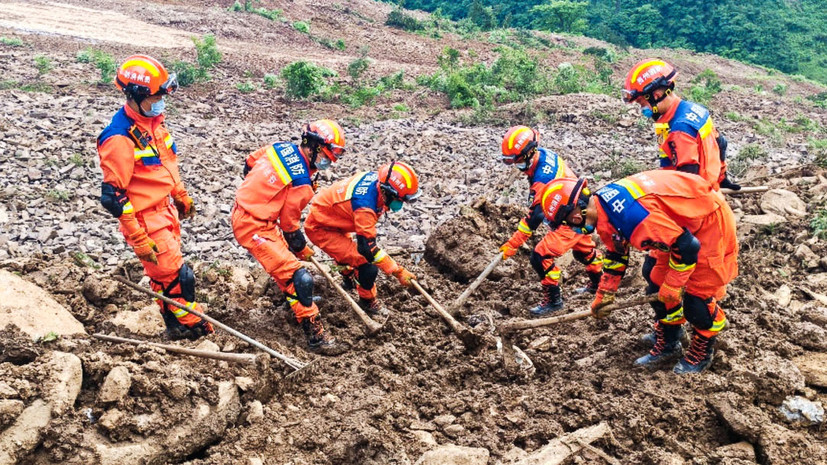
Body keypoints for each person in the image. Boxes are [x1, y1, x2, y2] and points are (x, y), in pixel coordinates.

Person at [540, 170, 738, 374]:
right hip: (678, 226)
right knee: (655, 281)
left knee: (697, 299)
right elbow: (617, 253)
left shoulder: (632, 217)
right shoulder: (603, 209)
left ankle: (702, 352)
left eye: (566, 223)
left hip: (706, 222)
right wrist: (605, 294)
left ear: (576, 213)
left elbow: (687, 247)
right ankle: (671, 338)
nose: (569, 228)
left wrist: (674, 284)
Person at [97, 55, 213, 340]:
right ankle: (196, 329)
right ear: (136, 96)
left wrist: (180, 196)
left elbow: (167, 164)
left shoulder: (154, 124)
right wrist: (137, 237)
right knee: (178, 277)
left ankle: (175, 326)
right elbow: (113, 197)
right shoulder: (119, 138)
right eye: (156, 97)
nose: (161, 102)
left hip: (165, 212)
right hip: (146, 220)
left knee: (164, 278)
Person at [232, 120, 346, 354]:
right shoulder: (301, 182)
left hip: (256, 217)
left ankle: (295, 301)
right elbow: (290, 227)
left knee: (287, 266)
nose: (328, 162)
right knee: (299, 277)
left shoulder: (280, 148)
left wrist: (260, 194)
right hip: (253, 226)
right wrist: (301, 248)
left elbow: (249, 163)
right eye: (325, 156)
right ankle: (316, 337)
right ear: (313, 146)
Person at [498, 126, 603, 317]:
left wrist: (513, 244)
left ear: (529, 152)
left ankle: (553, 300)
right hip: (578, 210)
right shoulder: (545, 155)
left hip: (570, 218)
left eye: (518, 160)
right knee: (583, 252)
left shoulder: (542, 178)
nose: (516, 165)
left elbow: (535, 217)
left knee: (540, 256)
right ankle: (598, 283)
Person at [304, 161, 419, 315]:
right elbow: (367, 249)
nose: (400, 204)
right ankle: (367, 301)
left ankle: (348, 279)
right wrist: (398, 271)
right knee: (367, 265)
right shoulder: (365, 206)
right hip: (321, 228)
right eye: (399, 200)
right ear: (387, 192)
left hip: (334, 217)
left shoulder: (378, 183)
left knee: (347, 254)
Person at [621, 58, 740, 191]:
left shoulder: (680, 128)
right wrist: (721, 178)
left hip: (697, 194)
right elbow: (720, 142)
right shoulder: (694, 109)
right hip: (702, 185)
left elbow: (687, 178)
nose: (642, 109)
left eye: (642, 103)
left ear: (656, 96)